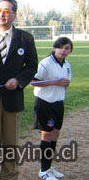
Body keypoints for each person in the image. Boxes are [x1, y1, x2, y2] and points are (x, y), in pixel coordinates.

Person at [0, 0, 38, 180]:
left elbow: (31, 66)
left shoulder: (25, 38)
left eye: (7, 11)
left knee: (11, 142)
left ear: (14, 14)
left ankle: (10, 175)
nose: (2, 15)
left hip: (13, 99)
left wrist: (18, 80)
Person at [31, 37, 72, 180]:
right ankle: (43, 170)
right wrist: (55, 82)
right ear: (55, 48)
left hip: (58, 103)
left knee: (55, 134)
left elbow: (65, 82)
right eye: (61, 47)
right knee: (47, 135)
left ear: (70, 51)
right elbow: (33, 82)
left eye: (67, 48)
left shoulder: (67, 65)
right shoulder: (46, 63)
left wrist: (64, 84)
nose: (63, 50)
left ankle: (48, 166)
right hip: (45, 103)